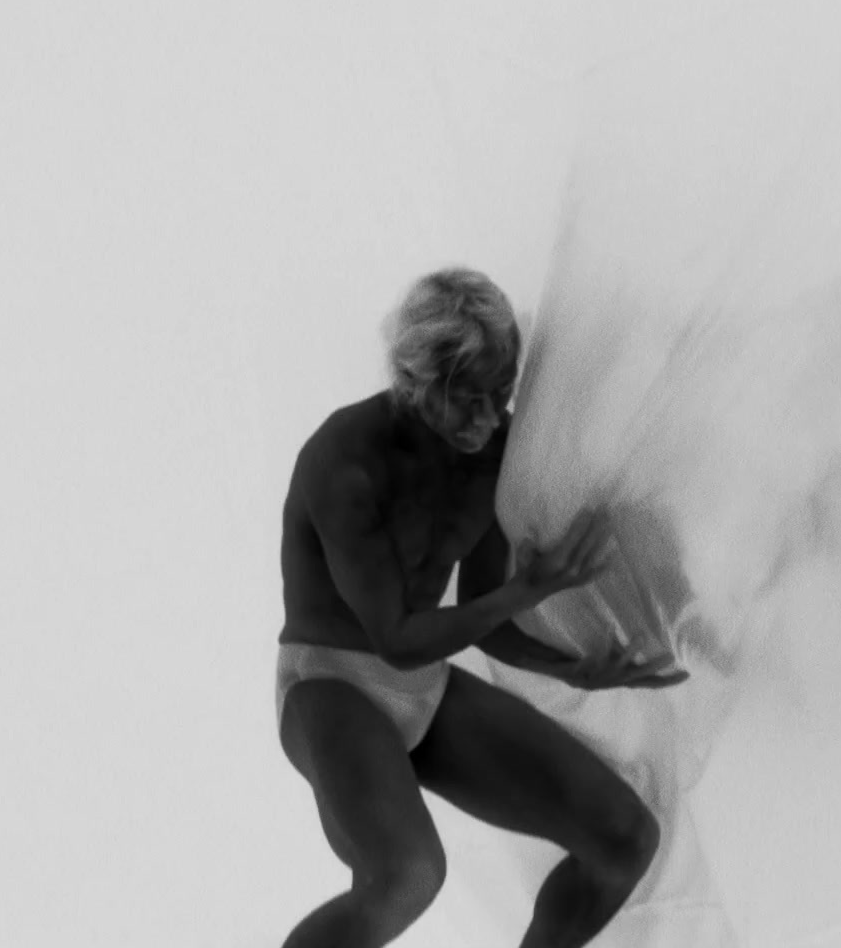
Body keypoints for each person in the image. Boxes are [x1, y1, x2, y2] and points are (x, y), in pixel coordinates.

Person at [276, 266, 687, 948]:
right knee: (407, 874)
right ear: (416, 384)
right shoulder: (343, 460)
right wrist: (528, 592)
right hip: (328, 684)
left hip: (423, 686)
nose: (487, 418)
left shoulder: (495, 450)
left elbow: (482, 612)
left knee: (624, 838)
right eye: (466, 398)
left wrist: (573, 668)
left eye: (500, 393)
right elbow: (396, 639)